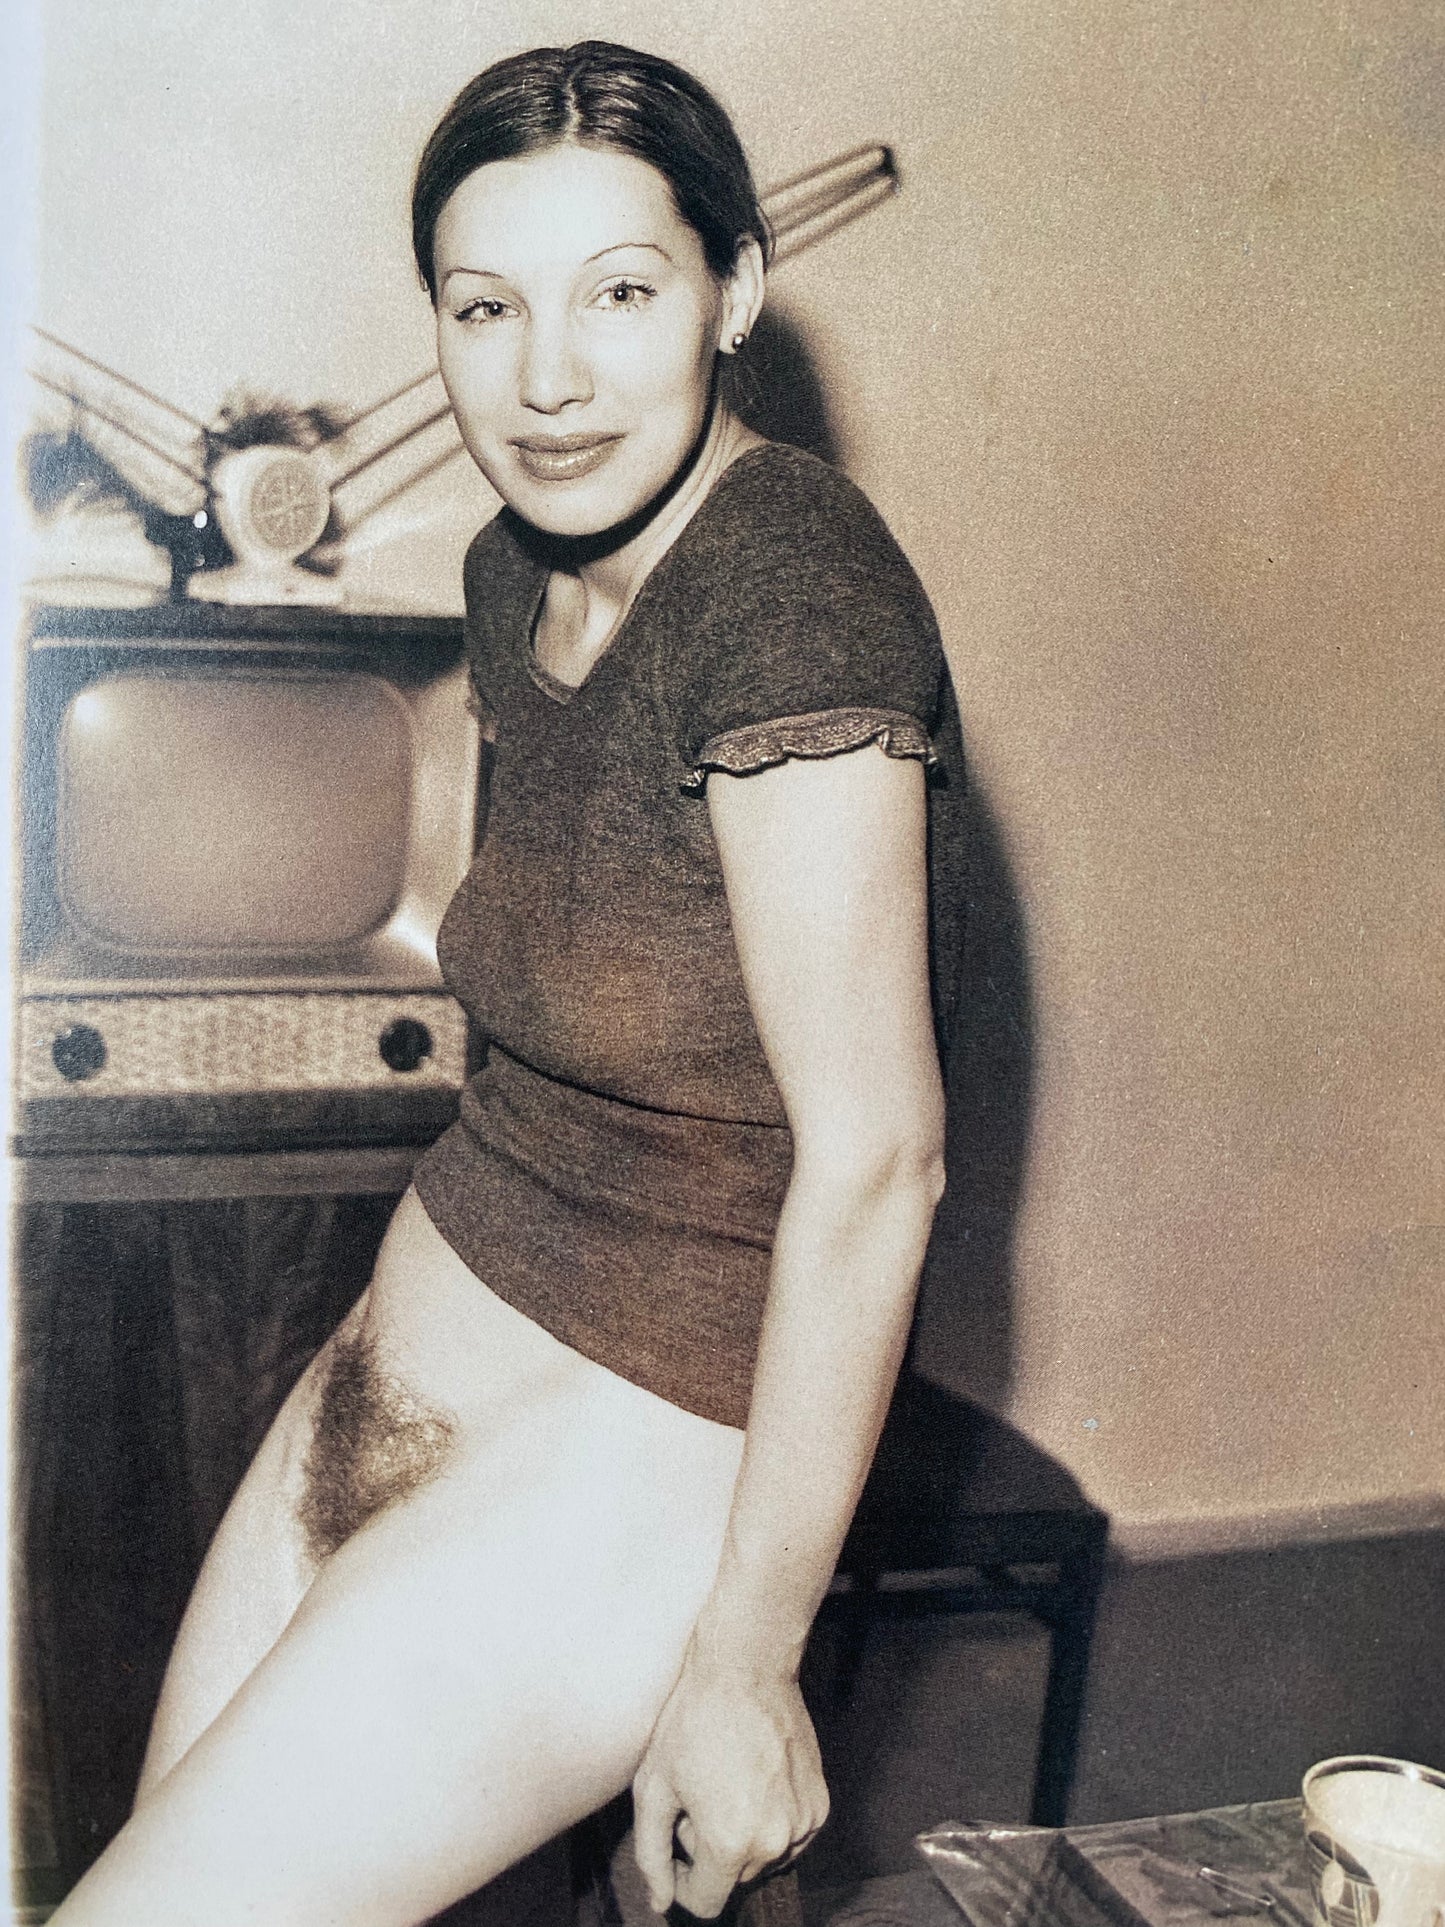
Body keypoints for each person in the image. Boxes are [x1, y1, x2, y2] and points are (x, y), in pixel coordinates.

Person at [50, 40, 966, 1927]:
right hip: (430, 1337)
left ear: (733, 290)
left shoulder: (793, 600)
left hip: (635, 1442)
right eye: (486, 307)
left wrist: (745, 1655)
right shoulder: (506, 566)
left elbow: (881, 1162)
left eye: (618, 293)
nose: (546, 380)